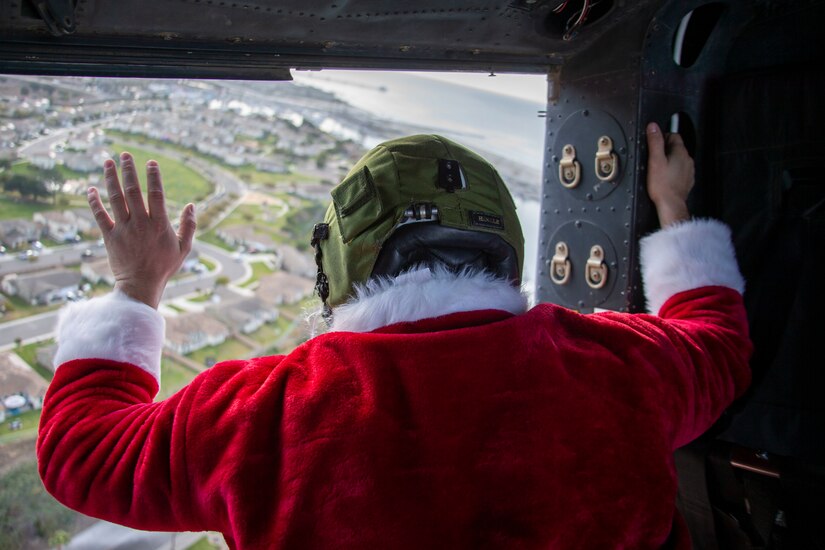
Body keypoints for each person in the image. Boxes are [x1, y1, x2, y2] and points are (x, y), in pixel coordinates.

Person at [37, 124, 751, 549]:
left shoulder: (265, 413)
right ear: (504, 242)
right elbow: (718, 346)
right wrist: (671, 203)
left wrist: (137, 284)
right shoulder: (621, 366)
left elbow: (82, 453)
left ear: (339, 261)